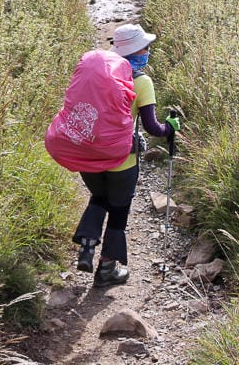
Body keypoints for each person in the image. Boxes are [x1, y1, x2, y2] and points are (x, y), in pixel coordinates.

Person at [73, 23, 181, 287]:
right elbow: (152, 127)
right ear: (137, 52)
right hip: (122, 160)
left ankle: (87, 247)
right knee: (119, 212)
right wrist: (171, 127)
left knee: (98, 197)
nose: (148, 50)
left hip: (88, 156)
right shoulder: (141, 82)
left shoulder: (97, 75)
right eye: (146, 47)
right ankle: (107, 269)